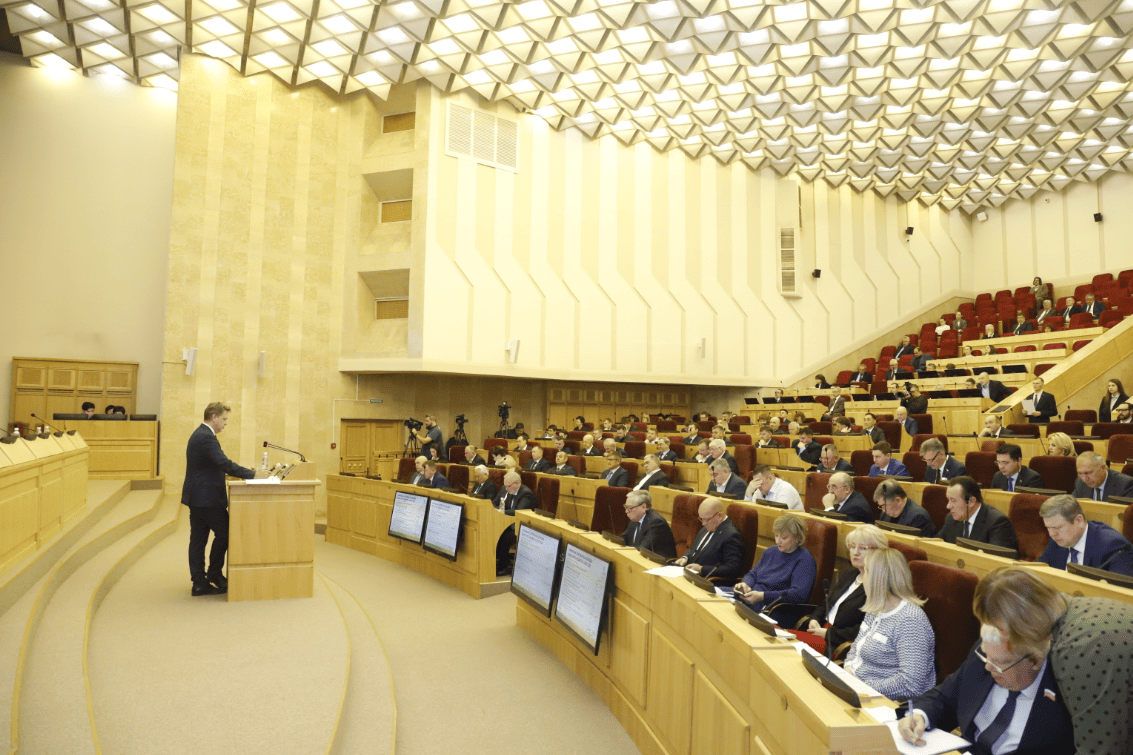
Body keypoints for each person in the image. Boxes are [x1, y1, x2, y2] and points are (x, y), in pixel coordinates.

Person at [972, 566, 1133, 754]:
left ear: (1024, 622)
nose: (1003, 638)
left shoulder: (1077, 651)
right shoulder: (1072, 610)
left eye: (1001, 629)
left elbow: (1099, 749)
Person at [898, 622, 1075, 755]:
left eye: (999, 663)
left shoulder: (1065, 689)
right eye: (986, 657)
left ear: (1035, 660)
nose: (988, 668)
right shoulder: (989, 652)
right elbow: (945, 698)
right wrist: (919, 716)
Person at [181, 402, 256, 596]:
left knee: (198, 540)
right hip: (207, 498)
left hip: (199, 497)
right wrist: (254, 476)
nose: (225, 424)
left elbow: (215, 464)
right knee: (226, 533)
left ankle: (199, 583)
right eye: (224, 419)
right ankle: (214, 574)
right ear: (214, 417)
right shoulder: (206, 437)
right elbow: (224, 463)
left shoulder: (202, 434)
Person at [843, 548, 936, 701]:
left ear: (877, 578)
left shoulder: (910, 620)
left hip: (885, 701)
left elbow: (911, 683)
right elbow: (856, 649)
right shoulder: (875, 608)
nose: (862, 578)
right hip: (857, 689)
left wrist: (864, 687)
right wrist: (847, 671)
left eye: (865, 572)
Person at [791, 526, 885, 654]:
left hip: (837, 645)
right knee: (777, 637)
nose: (855, 552)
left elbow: (869, 628)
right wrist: (814, 619)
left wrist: (829, 634)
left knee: (782, 643)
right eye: (852, 547)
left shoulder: (879, 585)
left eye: (863, 548)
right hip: (820, 632)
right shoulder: (850, 574)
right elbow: (827, 603)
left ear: (879, 551)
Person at [734, 514, 816, 614]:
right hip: (751, 597)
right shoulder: (771, 551)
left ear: (797, 538)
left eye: (784, 538)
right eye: (776, 535)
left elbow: (798, 594)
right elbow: (753, 574)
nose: (778, 541)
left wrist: (763, 596)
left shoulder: (805, 559)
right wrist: (746, 584)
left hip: (773, 608)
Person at [1037, 495, 1133, 576]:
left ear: (1078, 520)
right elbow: (1040, 570)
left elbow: (1117, 592)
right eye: (1048, 528)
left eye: (1057, 527)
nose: (1052, 534)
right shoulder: (1057, 539)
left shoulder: (1114, 546)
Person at [938, 477, 1020, 553]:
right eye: (948, 500)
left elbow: (998, 561)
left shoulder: (997, 523)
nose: (948, 506)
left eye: (953, 500)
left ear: (971, 501)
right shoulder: (951, 519)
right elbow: (936, 545)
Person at [674, 497, 745, 580]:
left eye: (706, 520)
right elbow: (694, 549)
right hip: (690, 575)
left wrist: (702, 569)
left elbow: (732, 568)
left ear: (719, 516)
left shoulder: (731, 535)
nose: (703, 523)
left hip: (708, 581)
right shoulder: (708, 526)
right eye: (701, 519)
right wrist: (685, 558)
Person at [620, 490, 676, 558]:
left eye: (630, 508)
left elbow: (643, 549)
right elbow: (623, 538)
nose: (626, 511)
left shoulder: (656, 523)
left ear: (643, 507)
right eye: (626, 507)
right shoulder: (635, 518)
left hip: (659, 564)